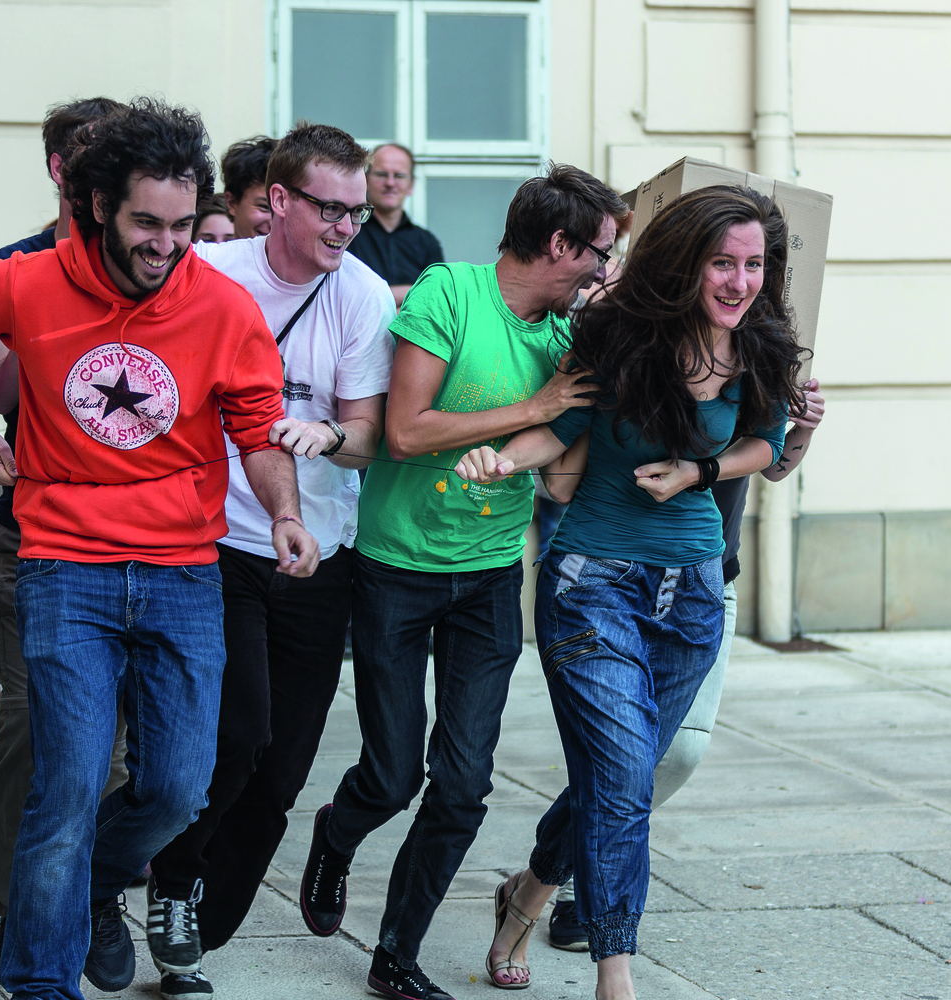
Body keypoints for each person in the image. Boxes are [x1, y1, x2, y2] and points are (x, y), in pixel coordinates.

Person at [0, 97, 320, 1000]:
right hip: (64, 567)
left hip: (182, 572)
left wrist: (285, 512)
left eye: (181, 224)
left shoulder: (223, 306)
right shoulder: (25, 283)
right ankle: (38, 979)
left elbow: (255, 426)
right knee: (68, 782)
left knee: (178, 788)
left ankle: (92, 887)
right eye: (146, 222)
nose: (166, 243)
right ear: (100, 205)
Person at [456, 185, 806, 999]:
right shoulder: (616, 338)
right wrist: (503, 458)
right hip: (592, 586)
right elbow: (560, 427)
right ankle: (618, 974)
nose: (739, 280)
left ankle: (527, 894)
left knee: (620, 778)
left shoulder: (762, 344)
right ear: (686, 262)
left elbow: (768, 441)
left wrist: (700, 470)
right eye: (723, 261)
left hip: (692, 600)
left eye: (753, 264)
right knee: (620, 783)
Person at [298, 163, 626, 1000]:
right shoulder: (449, 292)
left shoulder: (567, 342)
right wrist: (538, 405)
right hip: (395, 572)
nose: (600, 270)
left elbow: (555, 481)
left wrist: (613, 391)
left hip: (486, 582)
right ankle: (338, 831)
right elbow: (405, 432)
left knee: (463, 786)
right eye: (598, 254)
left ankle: (395, 956)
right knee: (393, 773)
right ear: (559, 244)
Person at [144, 122, 394, 997]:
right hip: (215, 541)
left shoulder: (362, 296)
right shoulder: (209, 275)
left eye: (357, 212)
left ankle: (200, 935)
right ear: (277, 202)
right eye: (329, 208)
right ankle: (171, 888)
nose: (344, 227)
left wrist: (329, 433)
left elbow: (370, 440)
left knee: (285, 767)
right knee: (236, 735)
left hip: (320, 555)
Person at [543, 379, 826, 950]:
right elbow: (559, 475)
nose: (739, 284)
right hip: (612, 570)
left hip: (704, 579)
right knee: (620, 762)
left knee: (670, 757)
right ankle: (584, 893)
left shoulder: (756, 352)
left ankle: (534, 884)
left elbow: (771, 465)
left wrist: (805, 425)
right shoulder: (633, 343)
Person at [0, 95, 130, 979]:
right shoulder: (16, 265)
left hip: (131, 545)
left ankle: (90, 897)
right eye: (81, 158)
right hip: (29, 540)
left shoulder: (157, 263)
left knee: (110, 750)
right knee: (31, 734)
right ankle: (17, 910)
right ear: (59, 171)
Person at [346, 143, 444, 307]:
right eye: (382, 174)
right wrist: (410, 292)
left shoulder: (427, 243)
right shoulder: (348, 232)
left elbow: (437, 300)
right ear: (366, 180)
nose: (390, 183)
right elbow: (345, 296)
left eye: (399, 175)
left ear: (411, 185)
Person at [221, 136, 276, 239]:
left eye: (284, 209)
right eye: (264, 207)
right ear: (232, 203)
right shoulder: (208, 254)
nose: (274, 222)